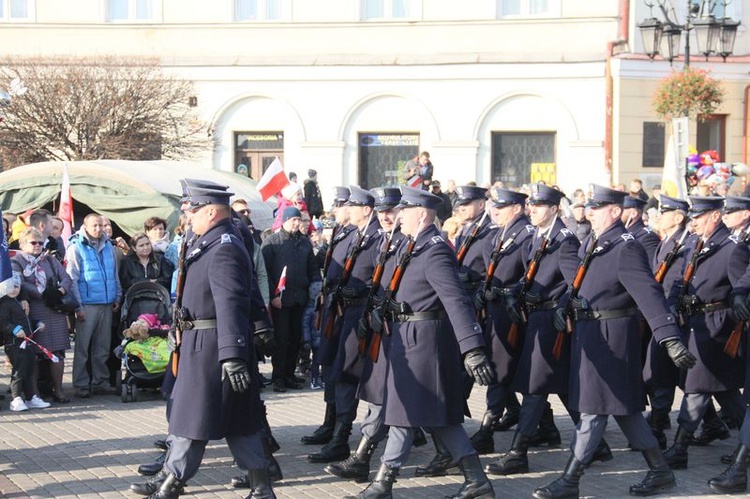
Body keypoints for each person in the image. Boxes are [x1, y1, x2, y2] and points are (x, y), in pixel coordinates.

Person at [533, 184, 695, 499]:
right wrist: (567, 305)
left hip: (614, 336)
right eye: (589, 207)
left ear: (616, 211)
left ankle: (570, 480)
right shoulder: (593, 242)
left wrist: (669, 337)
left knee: (594, 410)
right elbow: (580, 284)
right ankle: (660, 471)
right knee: (624, 410)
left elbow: (649, 294)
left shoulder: (626, 247)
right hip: (591, 334)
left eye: (597, 208)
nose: (589, 212)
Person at [345, 185, 495, 499]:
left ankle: (383, 484)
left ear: (422, 214)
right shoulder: (414, 245)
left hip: (424, 344)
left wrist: (472, 347)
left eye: (404, 211)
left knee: (405, 413)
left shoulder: (435, 248)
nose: (397, 217)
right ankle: (477, 481)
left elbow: (456, 301)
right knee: (438, 418)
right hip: (407, 340)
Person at [130, 183, 275, 499]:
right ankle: (260, 487)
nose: (186, 214)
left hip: (212, 346)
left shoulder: (223, 246)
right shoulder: (204, 241)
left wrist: (232, 353)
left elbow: (231, 302)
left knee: (196, 417)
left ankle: (172, 485)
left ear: (211, 211)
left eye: (191, 209)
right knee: (231, 419)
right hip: (198, 340)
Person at [485, 184, 599, 476]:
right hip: (535, 320)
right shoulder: (537, 236)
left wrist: (555, 300)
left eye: (539, 206)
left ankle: (517, 453)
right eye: (531, 206)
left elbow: (577, 284)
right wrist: (513, 292)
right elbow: (528, 276)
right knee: (556, 385)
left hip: (552, 322)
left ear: (554, 209)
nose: (532, 210)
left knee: (536, 388)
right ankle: (598, 446)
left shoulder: (564, 240)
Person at [663, 195, 750, 471]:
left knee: (696, 388)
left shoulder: (732, 248)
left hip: (717, 328)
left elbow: (740, 290)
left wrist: (737, 308)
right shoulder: (696, 243)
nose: (694, 222)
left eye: (699, 217)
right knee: (725, 392)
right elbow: (683, 280)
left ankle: (679, 448)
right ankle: (745, 446)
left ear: (715, 215)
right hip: (695, 324)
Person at [325, 186, 404, 482]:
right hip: (374, 323)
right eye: (383, 211)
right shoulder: (387, 240)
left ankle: (360, 454)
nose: (386, 216)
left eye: (392, 211)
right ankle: (359, 453)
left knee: (400, 396)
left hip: (403, 331)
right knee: (383, 393)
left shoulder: (414, 244)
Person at [309, 185, 382, 465]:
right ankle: (335, 429)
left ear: (365, 210)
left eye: (349, 206)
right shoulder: (353, 233)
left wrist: (362, 294)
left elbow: (379, 277)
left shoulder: (374, 237)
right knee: (336, 368)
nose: (344, 211)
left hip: (360, 314)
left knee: (348, 373)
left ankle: (341, 437)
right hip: (342, 310)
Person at [464, 187, 534, 460]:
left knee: (502, 372)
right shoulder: (499, 234)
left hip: (514, 316)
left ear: (516, 208)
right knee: (502, 372)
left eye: (501, 207)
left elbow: (531, 274)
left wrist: (509, 292)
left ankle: (486, 431)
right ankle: (546, 425)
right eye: (494, 207)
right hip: (496, 313)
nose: (495, 212)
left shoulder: (526, 235)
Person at [301, 187, 355, 446]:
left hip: (347, 312)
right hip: (333, 308)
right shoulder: (341, 232)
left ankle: (340, 432)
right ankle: (330, 422)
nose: (335, 211)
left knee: (343, 370)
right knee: (330, 366)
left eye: (340, 206)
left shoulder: (358, 234)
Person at [12, 227, 74, 404]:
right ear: (23, 244)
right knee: (36, 353)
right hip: (34, 309)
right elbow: (20, 283)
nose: (38, 245)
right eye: (33, 242)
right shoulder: (17, 261)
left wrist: (59, 291)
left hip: (55, 309)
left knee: (58, 351)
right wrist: (41, 293)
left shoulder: (50, 259)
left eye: (40, 242)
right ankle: (34, 393)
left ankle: (59, 390)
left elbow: (66, 278)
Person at [262, 206, 320, 393]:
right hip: (281, 300)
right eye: (293, 220)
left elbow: (312, 269)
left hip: (300, 298)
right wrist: (273, 295)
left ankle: (289, 375)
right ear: (284, 221)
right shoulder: (273, 243)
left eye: (299, 220)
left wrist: (316, 289)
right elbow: (265, 273)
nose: (296, 223)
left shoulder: (304, 243)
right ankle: (278, 377)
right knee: (281, 338)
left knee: (296, 338)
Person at [66, 213, 121, 398]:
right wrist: (77, 306)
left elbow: (114, 274)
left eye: (101, 225)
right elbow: (72, 278)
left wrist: (117, 296)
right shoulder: (76, 247)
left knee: (102, 348)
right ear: (86, 226)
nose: (99, 229)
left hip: (106, 304)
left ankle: (101, 382)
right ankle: (81, 384)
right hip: (87, 305)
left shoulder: (109, 247)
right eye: (95, 226)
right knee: (82, 348)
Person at [0, 271, 52, 411]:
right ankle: (16, 398)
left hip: (27, 342)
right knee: (18, 372)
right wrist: (14, 329)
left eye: (16, 287)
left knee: (30, 370)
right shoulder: (4, 304)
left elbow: (26, 320)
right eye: (10, 287)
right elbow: (3, 323)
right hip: (14, 343)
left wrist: (36, 324)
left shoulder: (19, 302)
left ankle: (30, 398)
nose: (13, 290)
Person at [622, 196, 661, 263]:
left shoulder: (647, 237)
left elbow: (652, 267)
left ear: (633, 213)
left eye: (622, 210)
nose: (619, 213)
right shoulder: (622, 233)